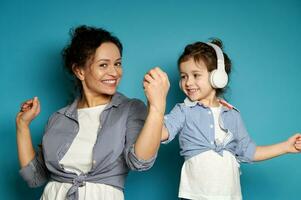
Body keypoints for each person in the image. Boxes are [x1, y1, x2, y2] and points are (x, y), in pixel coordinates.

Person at [16, 25, 170, 200]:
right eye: (103, 65)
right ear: (80, 71)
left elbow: (140, 161)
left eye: (118, 63)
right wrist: (22, 126)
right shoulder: (58, 118)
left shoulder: (131, 109)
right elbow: (34, 178)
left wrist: (157, 107)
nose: (114, 72)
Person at [158, 39, 301, 200]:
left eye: (195, 75)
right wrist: (156, 104)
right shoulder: (183, 111)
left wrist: (286, 147)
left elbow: (249, 152)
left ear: (217, 77)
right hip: (194, 195)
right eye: (183, 76)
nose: (188, 82)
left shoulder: (232, 114)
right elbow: (160, 132)